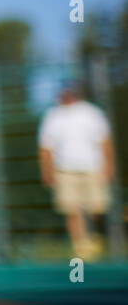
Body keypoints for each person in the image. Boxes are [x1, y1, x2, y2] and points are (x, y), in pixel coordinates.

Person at [38, 81, 116, 259]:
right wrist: (47, 171)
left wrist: (109, 165)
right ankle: (81, 247)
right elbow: (46, 147)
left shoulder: (92, 113)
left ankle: (93, 236)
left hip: (93, 167)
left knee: (97, 206)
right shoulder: (53, 116)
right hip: (64, 169)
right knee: (72, 208)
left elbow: (105, 141)